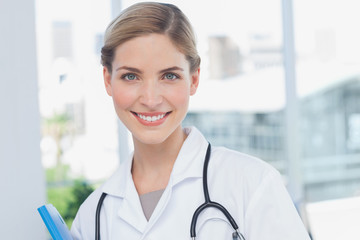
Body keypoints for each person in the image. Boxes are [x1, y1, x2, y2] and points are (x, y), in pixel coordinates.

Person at [71, 2, 311, 240]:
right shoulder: (92, 218)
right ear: (107, 80)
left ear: (194, 79)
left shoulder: (252, 183)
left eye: (169, 76)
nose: (151, 99)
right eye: (131, 76)